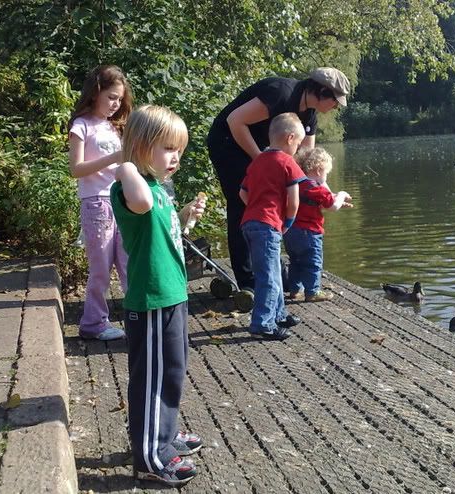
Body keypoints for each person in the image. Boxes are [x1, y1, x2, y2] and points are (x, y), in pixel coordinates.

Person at [111, 105, 206, 487]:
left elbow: (165, 230)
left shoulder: (158, 190)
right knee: (151, 379)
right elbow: (142, 205)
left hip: (173, 295)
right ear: (139, 146)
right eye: (167, 148)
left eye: (178, 149)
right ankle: (151, 455)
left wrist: (186, 215)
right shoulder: (130, 186)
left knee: (171, 370)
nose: (176, 157)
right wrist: (125, 165)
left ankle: (163, 433)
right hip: (150, 300)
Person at [207, 67, 350, 291]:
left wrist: (325, 193)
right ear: (322, 91)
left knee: (275, 203)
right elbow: (235, 121)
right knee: (242, 205)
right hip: (228, 143)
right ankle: (247, 281)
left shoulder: (309, 114)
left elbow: (306, 162)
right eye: (335, 100)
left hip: (261, 152)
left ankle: (267, 269)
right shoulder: (281, 93)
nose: (335, 107)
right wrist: (262, 161)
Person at [68, 65, 133, 341]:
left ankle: (138, 318)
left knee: (129, 263)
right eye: (111, 97)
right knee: (101, 268)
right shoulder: (81, 126)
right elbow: (76, 169)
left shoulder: (113, 126)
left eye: (119, 99)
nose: (115, 104)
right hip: (96, 204)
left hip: (121, 200)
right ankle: (93, 324)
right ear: (95, 93)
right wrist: (113, 158)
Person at [239, 113, 307, 340]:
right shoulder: (288, 162)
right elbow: (294, 202)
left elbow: (242, 193)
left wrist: (257, 209)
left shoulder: (257, 160)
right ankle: (263, 323)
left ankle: (279, 314)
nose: (297, 148)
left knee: (274, 270)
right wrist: (286, 223)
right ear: (290, 138)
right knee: (268, 275)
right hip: (269, 225)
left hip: (249, 223)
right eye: (298, 143)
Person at [284, 147, 352, 302]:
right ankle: (312, 292)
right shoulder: (318, 189)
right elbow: (332, 206)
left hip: (290, 232)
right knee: (313, 263)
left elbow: (319, 202)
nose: (326, 176)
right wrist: (341, 195)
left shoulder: (296, 184)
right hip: (310, 233)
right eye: (326, 173)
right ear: (320, 170)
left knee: (295, 261)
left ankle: (295, 289)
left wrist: (335, 198)